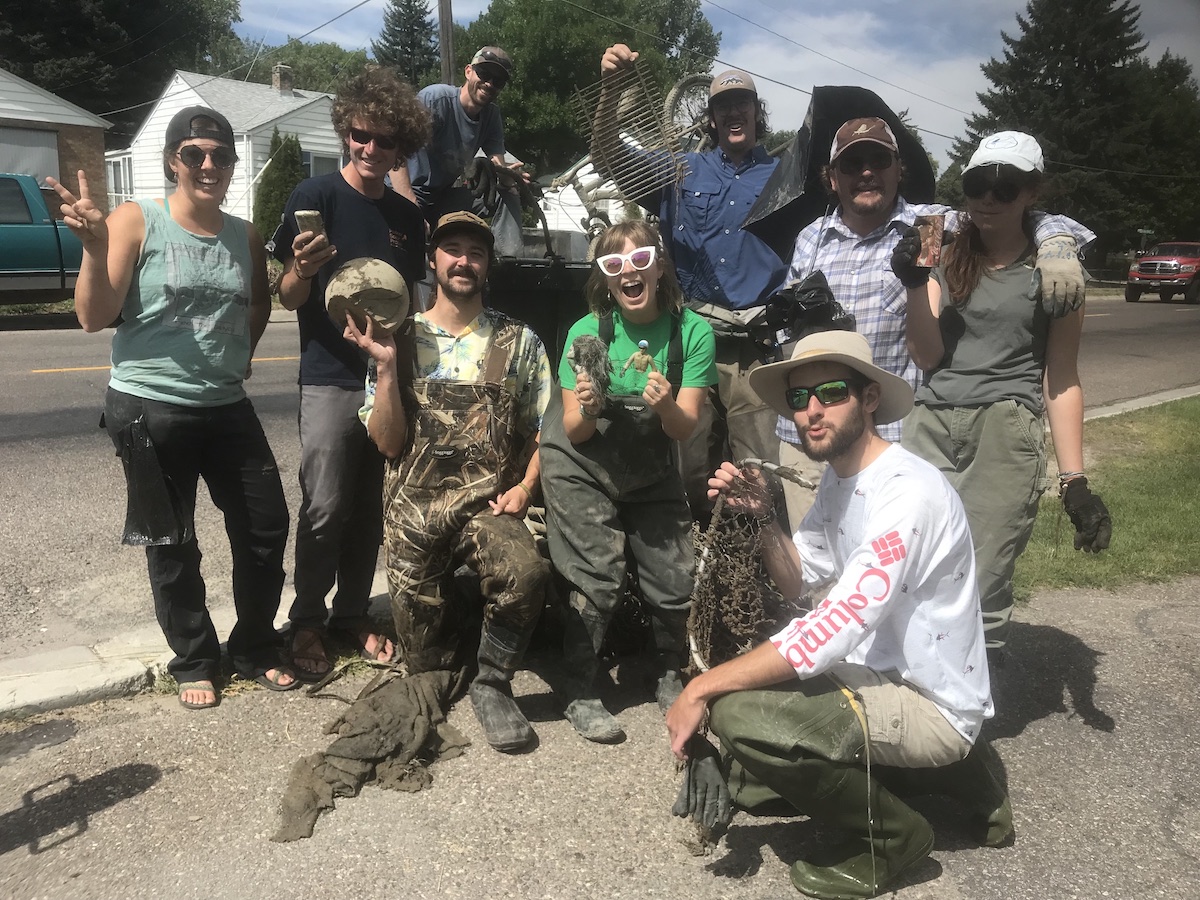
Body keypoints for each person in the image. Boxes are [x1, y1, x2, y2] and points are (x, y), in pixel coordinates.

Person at [665, 330, 1010, 899]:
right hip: (876, 674)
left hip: (928, 701)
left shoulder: (908, 494)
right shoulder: (842, 478)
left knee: (741, 720)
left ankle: (895, 837)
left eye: (830, 393)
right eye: (800, 399)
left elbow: (831, 626)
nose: (811, 411)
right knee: (752, 780)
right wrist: (765, 519)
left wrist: (701, 688)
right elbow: (802, 579)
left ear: (870, 398)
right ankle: (954, 779)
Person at [48, 107, 297, 709]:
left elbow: (259, 304)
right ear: (172, 161)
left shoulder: (245, 235)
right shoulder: (137, 220)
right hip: (148, 407)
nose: (208, 164)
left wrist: (243, 355)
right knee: (173, 540)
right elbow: (93, 317)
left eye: (220, 155)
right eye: (195, 154)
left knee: (266, 526)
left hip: (226, 405)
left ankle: (254, 646)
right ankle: (193, 658)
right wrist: (92, 245)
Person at [776, 116, 1096, 527]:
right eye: (852, 165)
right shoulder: (811, 237)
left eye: (880, 160)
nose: (867, 172)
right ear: (832, 178)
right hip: (810, 437)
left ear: (898, 169)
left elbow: (1009, 213)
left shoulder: (930, 227)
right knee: (816, 576)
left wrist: (1055, 241)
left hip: (889, 443)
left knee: (892, 575)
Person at [891, 131, 1112, 654]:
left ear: (1032, 193)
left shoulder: (1057, 271)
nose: (989, 197)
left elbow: (1061, 378)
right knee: (916, 565)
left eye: (1006, 186)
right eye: (977, 184)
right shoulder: (940, 247)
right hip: (932, 423)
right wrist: (912, 284)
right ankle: (919, 698)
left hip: (1004, 430)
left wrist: (1074, 480)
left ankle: (968, 714)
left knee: (983, 576)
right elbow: (925, 357)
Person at [343, 211, 552, 752]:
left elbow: (544, 432)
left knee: (526, 575)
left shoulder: (519, 341)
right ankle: (458, 601)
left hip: (486, 506)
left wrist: (526, 488)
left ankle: (493, 681)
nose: (464, 260)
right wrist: (387, 370)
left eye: (476, 252)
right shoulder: (398, 337)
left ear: (488, 265)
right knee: (426, 665)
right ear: (432, 260)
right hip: (413, 510)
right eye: (452, 248)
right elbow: (387, 444)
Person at [271, 66, 430, 682]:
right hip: (331, 376)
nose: (371, 149)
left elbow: (413, 301)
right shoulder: (313, 199)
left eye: (386, 140)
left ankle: (352, 614)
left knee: (371, 507)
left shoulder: (406, 218)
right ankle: (307, 618)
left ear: (401, 148)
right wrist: (302, 272)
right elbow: (286, 297)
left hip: (389, 376)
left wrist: (410, 376)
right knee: (327, 503)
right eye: (361, 135)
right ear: (345, 130)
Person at [539, 220, 717, 743]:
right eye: (615, 266)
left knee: (677, 576)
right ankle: (578, 686)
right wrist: (591, 407)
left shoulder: (692, 333)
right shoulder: (586, 333)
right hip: (581, 461)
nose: (630, 273)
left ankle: (667, 669)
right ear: (604, 277)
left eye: (641, 261)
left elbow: (683, 426)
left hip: (651, 462)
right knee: (597, 572)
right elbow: (574, 429)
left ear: (659, 266)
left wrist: (663, 403)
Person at [594, 45, 787, 515]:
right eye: (723, 106)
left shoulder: (786, 175)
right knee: (686, 467)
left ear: (757, 114)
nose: (734, 112)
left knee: (757, 473)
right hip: (692, 338)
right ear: (712, 117)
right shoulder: (681, 168)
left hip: (754, 351)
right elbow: (607, 157)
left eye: (742, 103)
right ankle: (689, 561)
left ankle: (750, 568)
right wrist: (611, 87)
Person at [397, 46, 527, 228]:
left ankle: (507, 254)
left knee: (506, 194)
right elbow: (396, 152)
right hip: (403, 193)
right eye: (484, 74)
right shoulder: (435, 100)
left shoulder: (491, 116)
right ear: (468, 71)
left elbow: (499, 164)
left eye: (498, 81)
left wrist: (509, 178)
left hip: (441, 198)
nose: (489, 83)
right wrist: (410, 207)